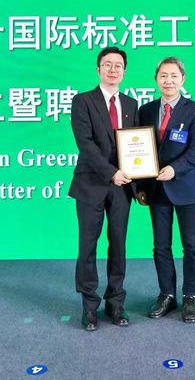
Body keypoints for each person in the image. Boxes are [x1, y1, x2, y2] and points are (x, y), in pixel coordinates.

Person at [69, 46, 139, 331]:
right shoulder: (82, 101)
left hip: (123, 186)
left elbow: (136, 145)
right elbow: (85, 145)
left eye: (118, 65)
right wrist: (112, 173)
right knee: (88, 245)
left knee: (118, 244)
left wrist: (137, 179)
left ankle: (115, 302)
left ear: (124, 71)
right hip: (91, 183)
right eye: (107, 64)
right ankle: (89, 306)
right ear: (98, 69)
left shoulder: (131, 104)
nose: (113, 69)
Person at [137, 57, 195, 323]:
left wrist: (174, 169)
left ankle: (190, 296)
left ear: (183, 79)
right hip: (156, 189)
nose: (168, 81)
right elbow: (138, 150)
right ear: (156, 79)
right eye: (163, 76)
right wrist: (139, 186)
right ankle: (166, 295)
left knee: (191, 244)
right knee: (160, 246)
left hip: (186, 187)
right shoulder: (145, 110)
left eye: (174, 76)